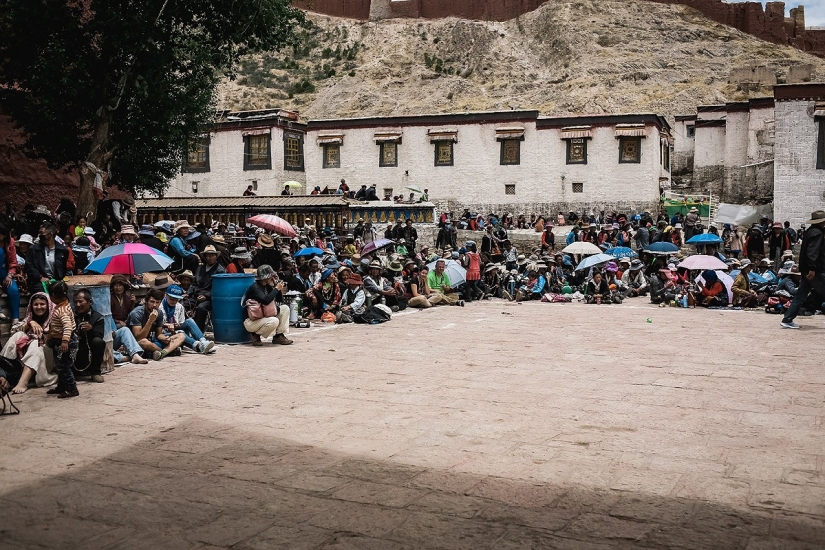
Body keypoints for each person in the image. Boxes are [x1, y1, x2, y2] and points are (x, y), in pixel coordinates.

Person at [0, 293, 58, 393]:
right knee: (17, 335)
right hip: (24, 362)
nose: (39, 307)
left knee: (37, 343)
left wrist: (42, 335)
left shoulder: (55, 318)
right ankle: (6, 372)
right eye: (35, 304)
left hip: (49, 359)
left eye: (42, 304)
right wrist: (30, 323)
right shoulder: (29, 318)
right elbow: (13, 330)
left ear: (48, 305)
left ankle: (23, 382)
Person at [781, 210, 825, 329]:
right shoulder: (818, 233)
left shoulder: (810, 231)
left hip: (805, 269)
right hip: (814, 270)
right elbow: (812, 252)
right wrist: (812, 268)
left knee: (800, 295)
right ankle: (787, 319)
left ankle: (787, 319)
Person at [129, 287, 186, 360]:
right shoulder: (137, 313)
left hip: (153, 343)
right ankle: (170, 351)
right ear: (146, 301)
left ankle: (162, 353)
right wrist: (150, 321)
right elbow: (138, 338)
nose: (154, 305)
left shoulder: (159, 312)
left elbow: (158, 334)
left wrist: (165, 338)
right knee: (143, 342)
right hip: (140, 344)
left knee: (181, 336)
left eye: (157, 302)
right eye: (152, 302)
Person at [243, 265, 292, 345]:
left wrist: (277, 287)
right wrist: (276, 289)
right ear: (265, 277)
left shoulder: (267, 287)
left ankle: (279, 336)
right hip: (252, 321)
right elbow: (266, 300)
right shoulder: (255, 287)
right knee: (274, 321)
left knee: (285, 308)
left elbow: (280, 300)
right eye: (271, 276)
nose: (272, 278)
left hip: (263, 317)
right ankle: (255, 335)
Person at [45, 280, 79, 399]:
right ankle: (61, 386)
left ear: (53, 296)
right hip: (58, 340)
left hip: (65, 341)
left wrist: (65, 341)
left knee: (64, 366)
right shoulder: (64, 305)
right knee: (60, 365)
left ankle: (72, 388)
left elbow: (67, 326)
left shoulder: (62, 310)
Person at [159, 285, 215, 354]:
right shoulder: (160, 306)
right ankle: (199, 345)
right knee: (181, 333)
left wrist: (177, 325)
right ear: (166, 295)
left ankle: (203, 341)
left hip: (176, 328)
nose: (174, 301)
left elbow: (181, 322)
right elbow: (157, 325)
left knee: (189, 321)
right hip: (164, 332)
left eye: (176, 299)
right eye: (171, 299)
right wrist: (166, 325)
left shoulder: (180, 307)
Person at [72, 288, 107, 383]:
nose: (77, 305)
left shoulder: (97, 317)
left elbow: (99, 336)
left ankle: (95, 372)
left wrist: (90, 330)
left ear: (89, 302)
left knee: (98, 342)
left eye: (80, 301)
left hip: (89, 351)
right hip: (75, 351)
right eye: (75, 302)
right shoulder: (70, 316)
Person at [25, 222, 70, 293]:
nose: (40, 236)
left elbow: (63, 268)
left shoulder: (62, 250)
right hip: (38, 281)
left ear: (50, 234)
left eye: (42, 233)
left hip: (55, 281)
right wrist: (40, 277)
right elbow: (29, 266)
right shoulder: (34, 249)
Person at [190, 245, 224, 330]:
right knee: (184, 304)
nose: (210, 258)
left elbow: (218, 288)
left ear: (216, 256)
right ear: (205, 257)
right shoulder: (200, 268)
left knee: (201, 308)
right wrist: (188, 293)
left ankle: (198, 332)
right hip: (196, 294)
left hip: (210, 298)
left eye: (213, 255)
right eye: (208, 255)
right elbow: (194, 283)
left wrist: (206, 296)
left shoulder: (220, 270)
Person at [0, 223, 21, 323]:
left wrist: (10, 275)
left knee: (13, 290)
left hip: (5, 271)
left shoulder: (10, 242)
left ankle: (15, 319)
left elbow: (13, 260)